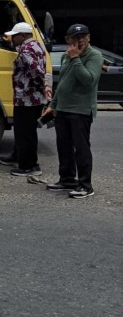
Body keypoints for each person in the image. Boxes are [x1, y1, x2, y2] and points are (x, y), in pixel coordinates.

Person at [42, 23, 103, 199]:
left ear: (89, 37)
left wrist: (76, 58)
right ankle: (67, 179)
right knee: (64, 147)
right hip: (62, 108)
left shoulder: (94, 56)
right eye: (75, 37)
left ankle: (85, 185)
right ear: (68, 40)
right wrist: (53, 105)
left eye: (82, 37)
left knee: (81, 148)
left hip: (81, 110)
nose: (79, 40)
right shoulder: (65, 56)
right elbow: (62, 83)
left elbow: (88, 80)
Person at [2, 22, 47, 177]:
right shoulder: (36, 45)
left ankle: (30, 166)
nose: (12, 38)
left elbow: (37, 72)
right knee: (24, 130)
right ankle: (18, 155)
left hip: (27, 99)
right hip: (32, 98)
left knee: (25, 133)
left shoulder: (26, 50)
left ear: (22, 35)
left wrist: (39, 87)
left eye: (14, 36)